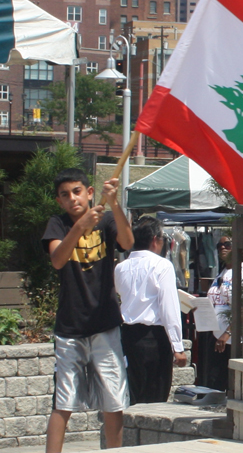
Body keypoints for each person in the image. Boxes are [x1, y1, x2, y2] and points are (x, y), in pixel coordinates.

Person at [41, 168, 134, 452]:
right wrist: (80, 226)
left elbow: (128, 242)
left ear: (89, 192)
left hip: (104, 323)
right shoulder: (57, 224)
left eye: (77, 191)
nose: (72, 199)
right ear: (59, 200)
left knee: (113, 401)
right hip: (70, 328)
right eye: (65, 195)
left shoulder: (105, 218)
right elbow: (58, 259)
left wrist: (114, 202)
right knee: (63, 402)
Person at [114, 216, 187, 405]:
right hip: (154, 337)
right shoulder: (162, 265)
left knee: (132, 395)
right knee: (155, 397)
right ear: (155, 240)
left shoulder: (120, 268)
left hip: (128, 336)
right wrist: (177, 346)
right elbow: (169, 306)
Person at [206, 235, 232, 392]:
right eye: (219, 245)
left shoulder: (242, 272)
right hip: (215, 336)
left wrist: (227, 333)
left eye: (227, 244)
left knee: (225, 382)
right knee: (213, 382)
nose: (222, 247)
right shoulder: (220, 274)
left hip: (230, 340)